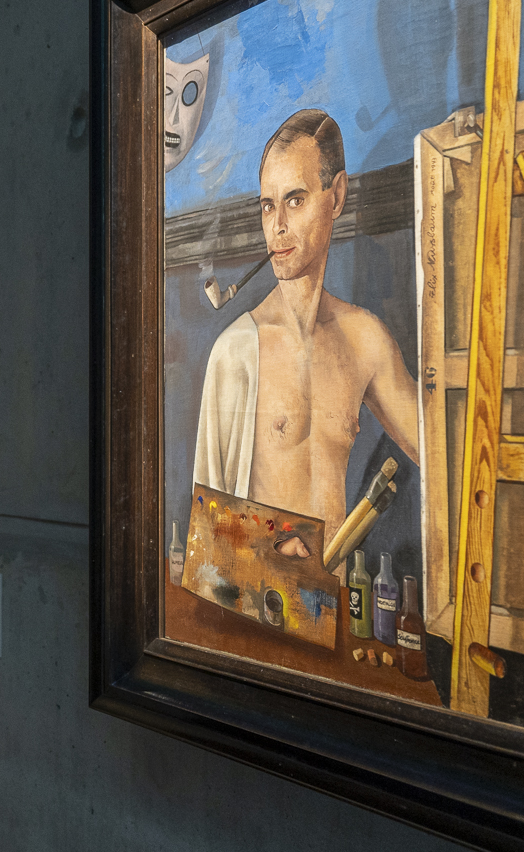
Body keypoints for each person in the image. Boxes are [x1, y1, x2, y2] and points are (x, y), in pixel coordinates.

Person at [193, 109, 418, 555]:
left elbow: (445, 457)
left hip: (334, 605)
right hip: (259, 609)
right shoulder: (237, 352)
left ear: (335, 197)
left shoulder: (366, 340)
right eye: (267, 205)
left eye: (294, 201)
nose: (277, 226)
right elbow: (207, 535)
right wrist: (269, 543)